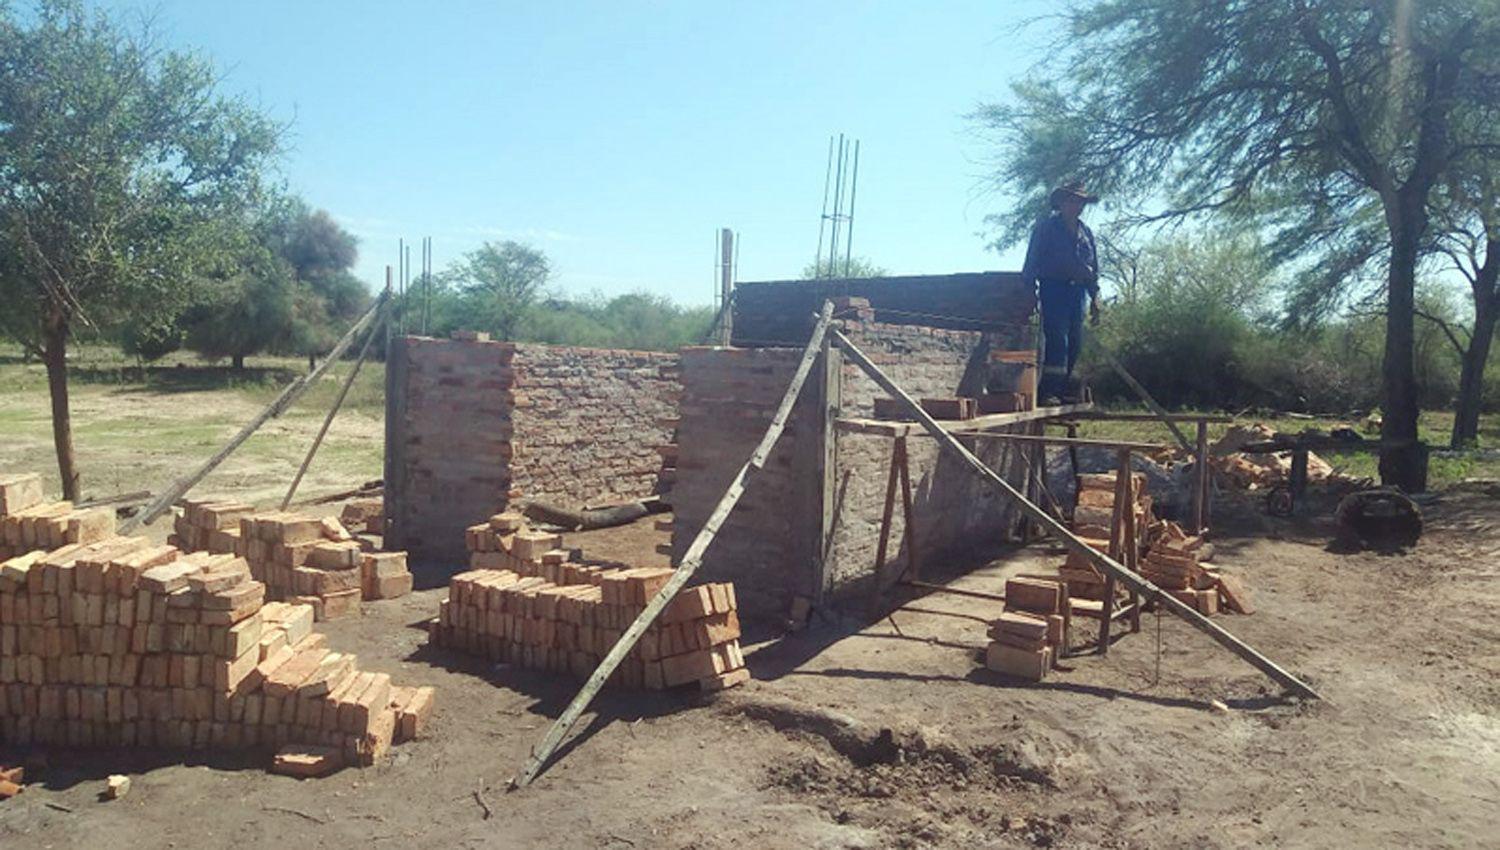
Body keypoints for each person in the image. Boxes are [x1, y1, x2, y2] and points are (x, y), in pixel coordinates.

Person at [1020, 182, 1101, 404]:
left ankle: (1064, 390)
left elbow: (1093, 267)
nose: (1076, 205)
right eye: (1072, 201)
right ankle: (1049, 392)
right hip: (1054, 287)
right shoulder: (1046, 228)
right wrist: (1029, 290)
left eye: (1080, 202)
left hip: (1078, 291)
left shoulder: (1086, 233)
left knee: (1076, 340)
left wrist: (1095, 296)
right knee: (1058, 340)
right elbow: (1031, 262)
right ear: (1061, 203)